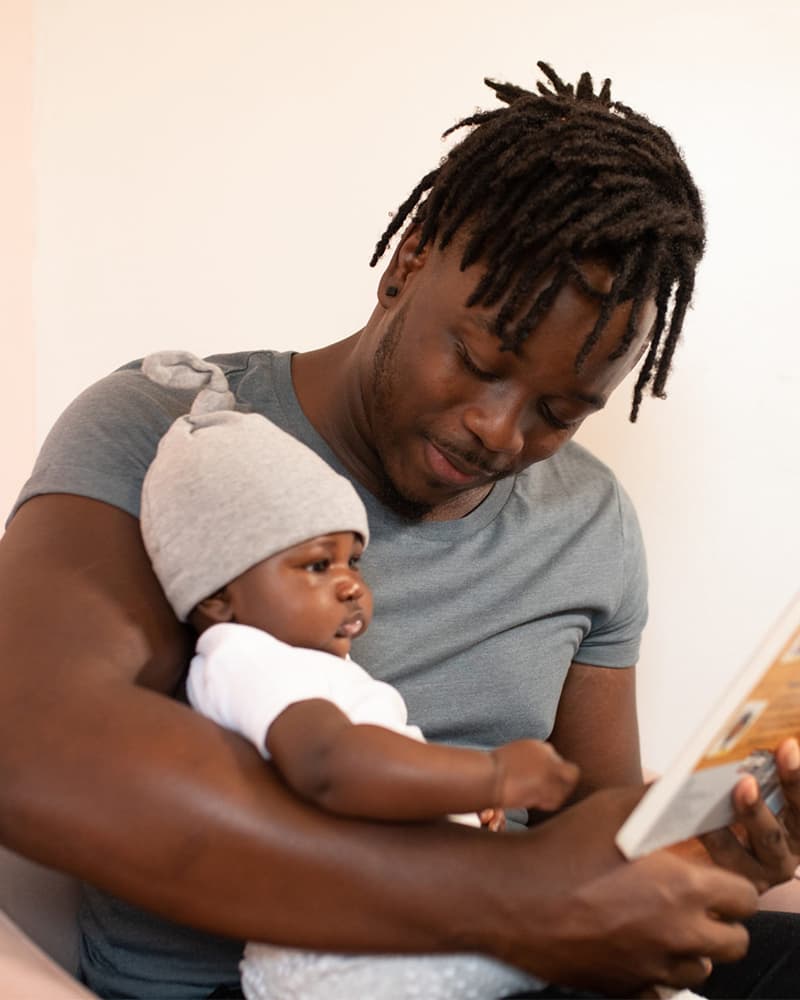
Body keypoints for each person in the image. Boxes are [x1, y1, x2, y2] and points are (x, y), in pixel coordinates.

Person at [2, 60, 800, 1000]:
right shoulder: (178, 432)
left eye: (561, 410)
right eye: (475, 358)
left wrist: (731, 832)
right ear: (407, 262)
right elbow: (31, 744)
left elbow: (591, 818)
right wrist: (513, 896)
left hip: (503, 966)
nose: (501, 432)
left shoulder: (589, 522)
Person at [139, 348, 580, 999]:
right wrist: (489, 774)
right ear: (216, 596)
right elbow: (330, 764)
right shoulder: (243, 657)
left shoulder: (312, 670)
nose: (350, 586)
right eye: (318, 566)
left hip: (372, 935)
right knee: (582, 941)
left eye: (355, 563)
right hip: (331, 960)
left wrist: (461, 805)